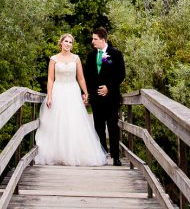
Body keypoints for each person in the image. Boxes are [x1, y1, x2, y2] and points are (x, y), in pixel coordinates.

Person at [34, 33, 107, 166]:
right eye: (66, 41)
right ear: (61, 43)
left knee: (74, 121)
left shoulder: (76, 58)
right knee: (59, 122)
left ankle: (75, 153)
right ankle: (59, 154)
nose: (68, 44)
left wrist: (86, 92)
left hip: (73, 91)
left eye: (70, 42)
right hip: (58, 91)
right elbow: (50, 79)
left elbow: (81, 78)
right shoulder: (54, 59)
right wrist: (49, 96)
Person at [86, 26, 126, 165]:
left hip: (111, 97)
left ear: (103, 40)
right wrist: (89, 93)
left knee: (113, 127)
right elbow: (87, 76)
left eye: (95, 39)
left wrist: (108, 87)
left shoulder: (116, 54)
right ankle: (102, 155)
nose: (93, 41)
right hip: (96, 99)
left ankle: (116, 157)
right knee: (99, 127)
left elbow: (121, 74)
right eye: (93, 38)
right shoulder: (91, 56)